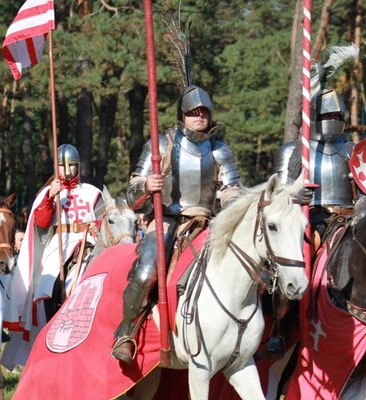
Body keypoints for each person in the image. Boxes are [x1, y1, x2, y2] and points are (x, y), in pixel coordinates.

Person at [111, 85, 241, 364]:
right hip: (166, 221)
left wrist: (233, 203)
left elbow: (232, 189)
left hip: (208, 223)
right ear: (182, 115)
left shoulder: (220, 150)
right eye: (193, 112)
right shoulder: (161, 144)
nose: (199, 116)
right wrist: (147, 186)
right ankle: (127, 331)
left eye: (204, 111)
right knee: (146, 273)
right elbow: (132, 196)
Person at [269, 44, 364, 358]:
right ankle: (282, 328)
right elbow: (280, 195)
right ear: (316, 116)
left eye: (338, 114)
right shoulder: (297, 150)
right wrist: (298, 195)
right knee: (297, 261)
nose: (335, 118)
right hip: (315, 217)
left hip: (350, 218)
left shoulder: (351, 149)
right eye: (329, 114)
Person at [29, 144, 105, 318]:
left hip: (90, 240)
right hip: (61, 242)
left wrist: (97, 225)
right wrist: (49, 198)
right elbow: (41, 223)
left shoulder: (92, 192)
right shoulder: (50, 192)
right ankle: (52, 316)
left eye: (71, 164)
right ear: (56, 168)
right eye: (62, 166)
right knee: (50, 282)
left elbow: (106, 218)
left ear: (78, 166)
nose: (67, 169)